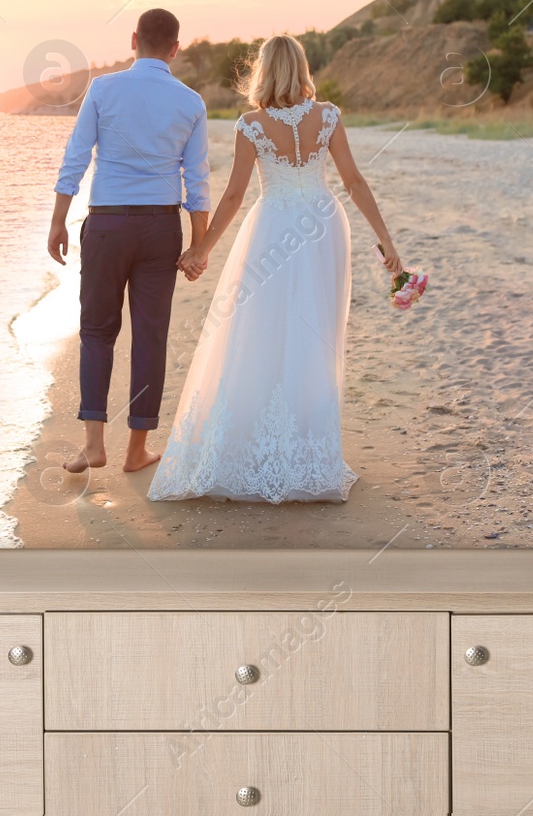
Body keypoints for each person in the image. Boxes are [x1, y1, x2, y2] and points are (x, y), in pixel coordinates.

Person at [147, 33, 402, 503]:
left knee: (259, 331)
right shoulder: (328, 116)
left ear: (264, 70)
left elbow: (233, 196)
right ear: (301, 68)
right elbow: (354, 180)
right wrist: (385, 241)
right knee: (317, 337)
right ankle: (309, 452)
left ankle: (266, 446)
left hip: (272, 228)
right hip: (324, 225)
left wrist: (201, 248)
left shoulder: (251, 124)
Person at [47, 8, 210, 474]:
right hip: (161, 229)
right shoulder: (191, 102)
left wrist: (58, 221)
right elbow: (197, 182)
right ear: (175, 48)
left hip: (108, 225)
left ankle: (94, 445)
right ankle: (136, 450)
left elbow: (75, 158)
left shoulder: (102, 88)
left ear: (134, 39)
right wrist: (197, 246)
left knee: (97, 330)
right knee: (150, 336)